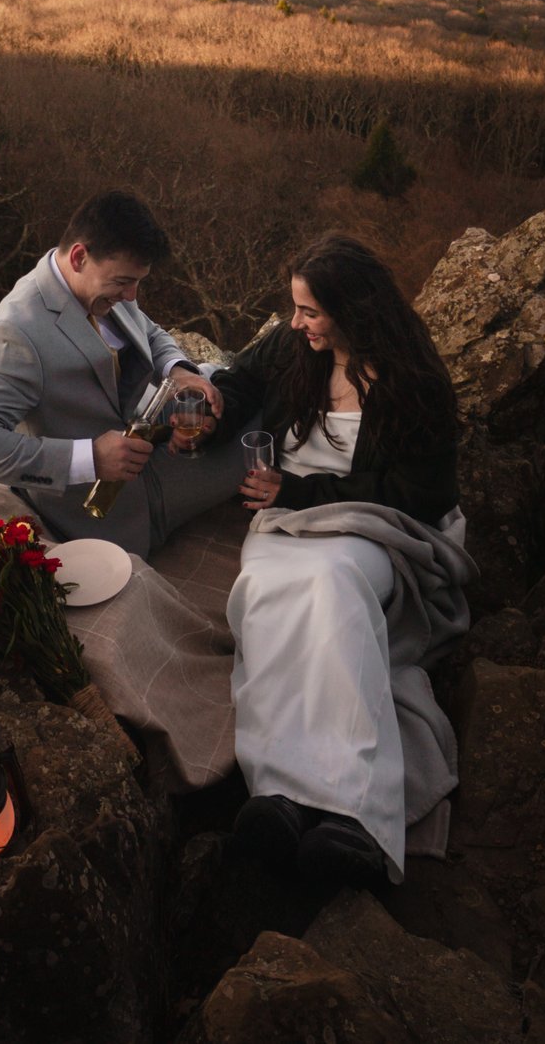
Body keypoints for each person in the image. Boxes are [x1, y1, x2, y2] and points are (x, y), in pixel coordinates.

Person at [209, 232, 469, 888]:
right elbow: (240, 378)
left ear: (353, 311)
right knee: (266, 592)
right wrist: (206, 398)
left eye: (310, 311)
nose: (296, 323)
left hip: (376, 528)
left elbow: (420, 495)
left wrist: (297, 491)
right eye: (295, 309)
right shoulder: (296, 347)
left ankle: (357, 815)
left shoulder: (414, 382)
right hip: (286, 523)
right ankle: (279, 797)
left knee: (331, 588)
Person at [0, 190, 239, 558]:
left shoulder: (102, 286)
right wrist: (90, 458)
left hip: (156, 443)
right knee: (261, 435)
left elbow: (151, 332)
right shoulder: (16, 332)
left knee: (249, 396)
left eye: (137, 283)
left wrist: (177, 370)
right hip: (106, 509)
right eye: (123, 282)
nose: (131, 295)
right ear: (80, 256)